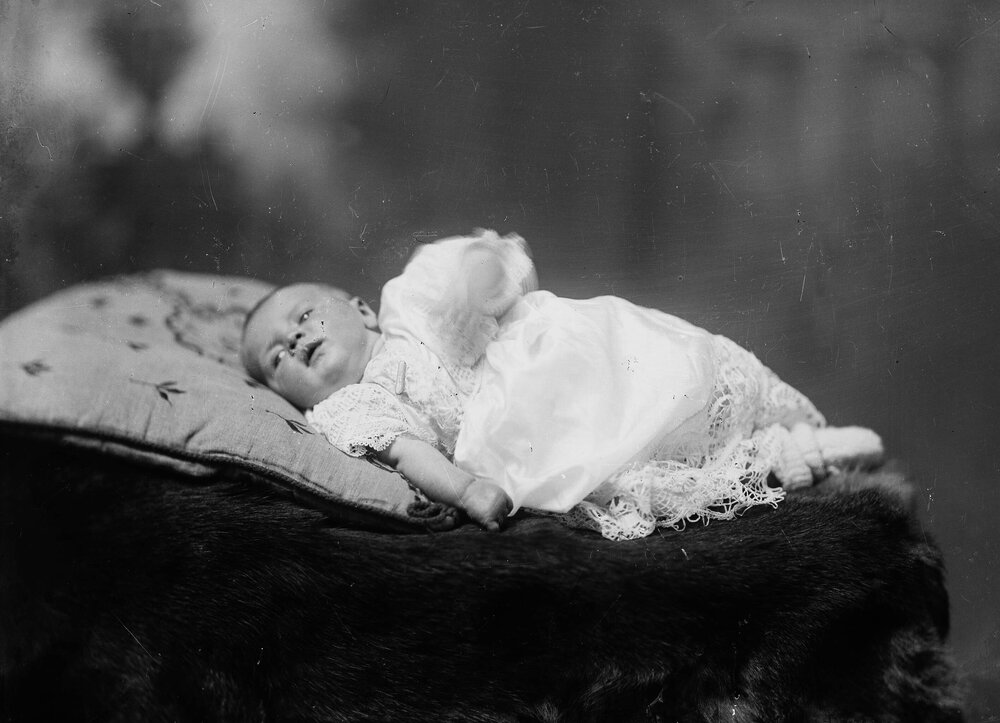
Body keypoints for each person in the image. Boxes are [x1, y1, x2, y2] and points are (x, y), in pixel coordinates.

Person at [240, 230, 883, 540]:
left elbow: (479, 269)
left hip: (560, 353)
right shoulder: (353, 408)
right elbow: (409, 453)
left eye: (302, 317)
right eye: (276, 360)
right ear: (290, 394)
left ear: (358, 308)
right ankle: (793, 459)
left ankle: (790, 429)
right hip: (525, 433)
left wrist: (478, 283)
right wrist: (467, 489)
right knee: (639, 459)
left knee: (680, 370)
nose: (293, 342)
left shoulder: (407, 302)